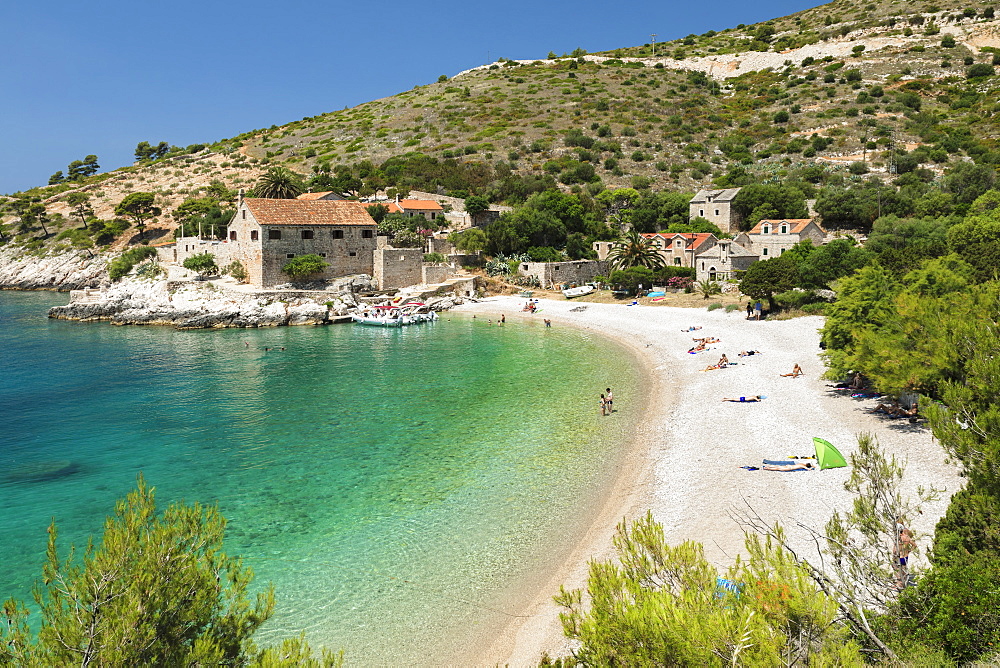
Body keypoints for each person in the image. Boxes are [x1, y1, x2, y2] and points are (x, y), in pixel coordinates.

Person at [895, 519, 917, 588]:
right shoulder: (907, 537)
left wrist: (894, 556)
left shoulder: (898, 538)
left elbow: (895, 550)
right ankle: (904, 583)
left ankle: (900, 585)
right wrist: (909, 550)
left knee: (899, 571)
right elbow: (915, 545)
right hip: (905, 556)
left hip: (899, 556)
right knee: (904, 570)